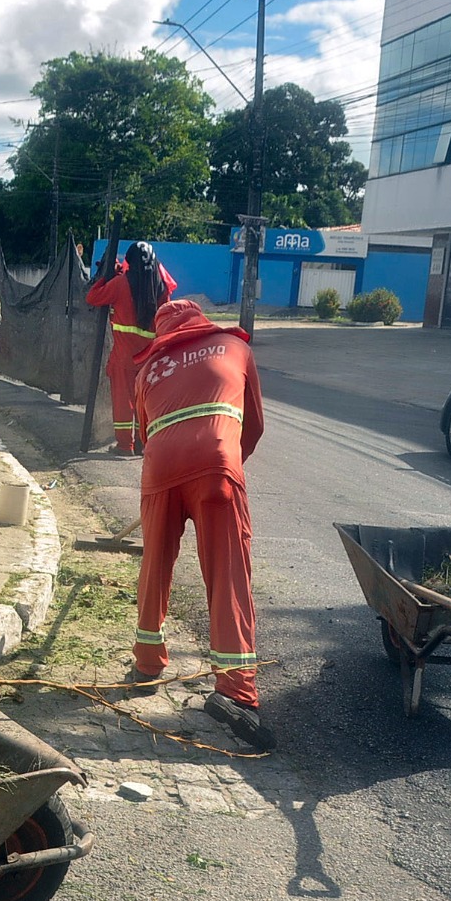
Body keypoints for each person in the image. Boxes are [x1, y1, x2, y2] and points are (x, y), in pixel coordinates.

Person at [126, 299, 272, 751]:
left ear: (162, 334)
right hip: (217, 462)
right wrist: (223, 466)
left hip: (160, 468)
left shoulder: (147, 371)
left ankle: (147, 663)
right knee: (228, 572)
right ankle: (236, 689)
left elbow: (146, 435)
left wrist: (177, 466)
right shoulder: (235, 347)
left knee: (155, 566)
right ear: (200, 322)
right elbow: (253, 425)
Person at [85, 241, 178, 454]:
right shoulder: (161, 288)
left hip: (124, 356)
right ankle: (143, 442)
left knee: (122, 401)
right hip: (151, 357)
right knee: (144, 402)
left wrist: (107, 276)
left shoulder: (120, 284)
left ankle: (125, 445)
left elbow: (92, 297)